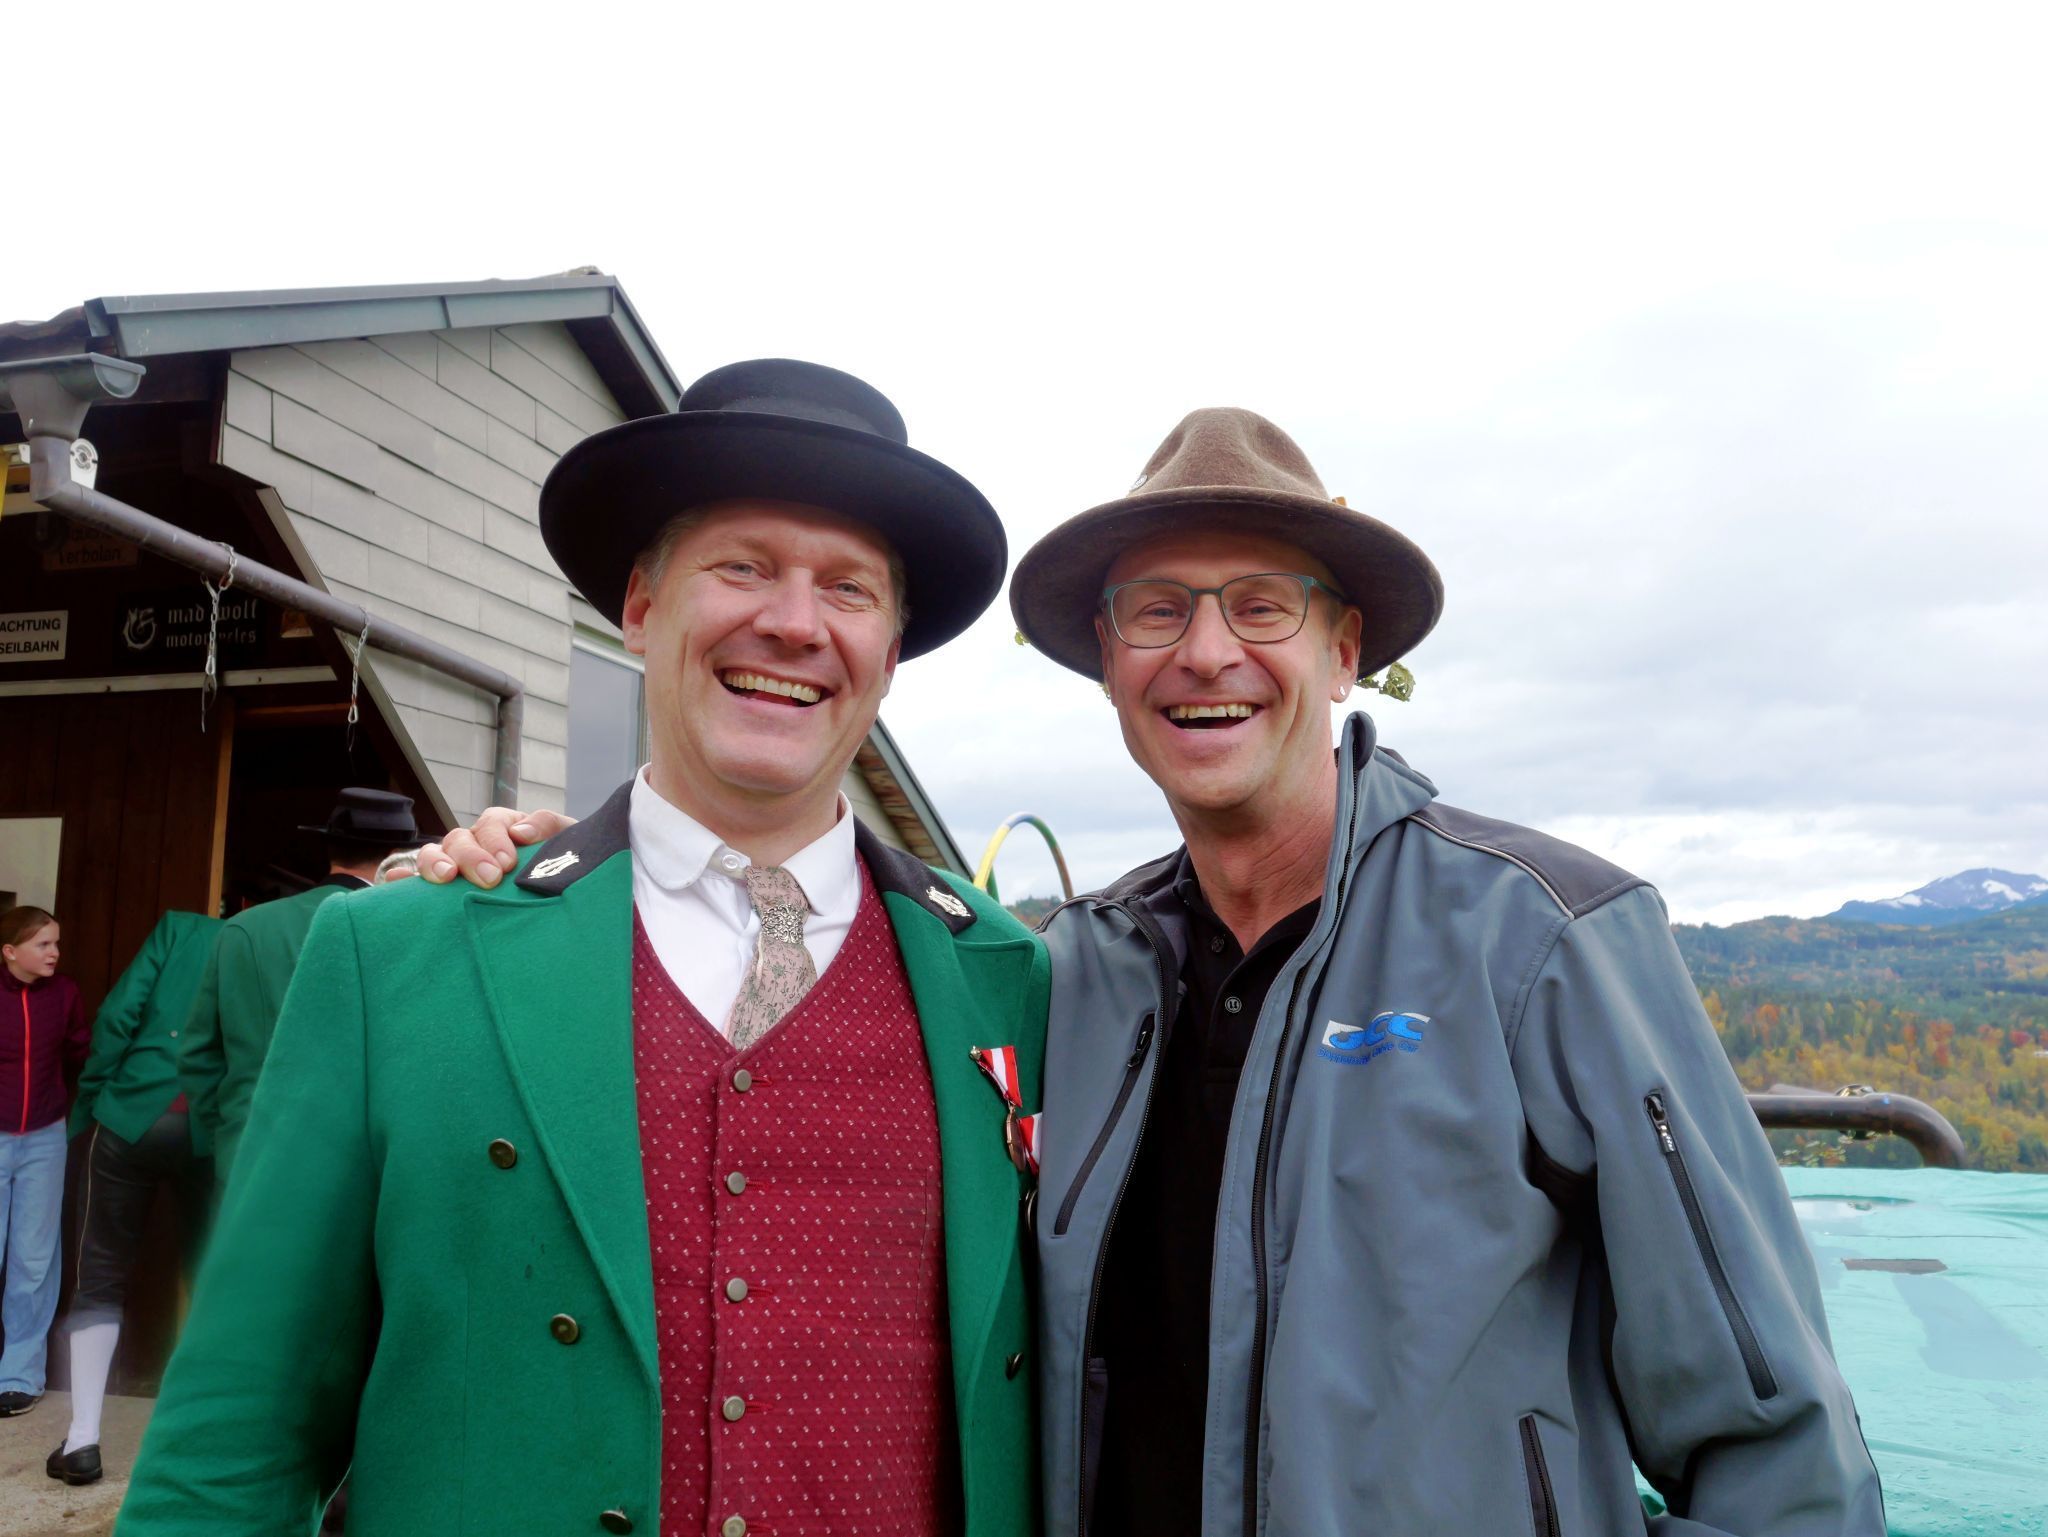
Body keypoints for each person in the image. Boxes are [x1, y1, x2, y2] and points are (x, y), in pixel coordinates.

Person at [439, 406, 1884, 1536]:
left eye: (1264, 606)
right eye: (1157, 610)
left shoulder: (1542, 940)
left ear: (1343, 647)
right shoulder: (1067, 975)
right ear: (1109, 660)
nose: (1209, 654)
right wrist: (552, 875)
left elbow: (1772, 1437)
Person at [118, 359, 1048, 1537]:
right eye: (743, 566)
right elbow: (235, 1440)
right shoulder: (397, 954)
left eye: (849, 588)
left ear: (891, 644)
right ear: (641, 606)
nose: (795, 623)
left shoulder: (1014, 980)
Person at [45, 908, 222, 1484]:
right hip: (209, 1128)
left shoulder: (178, 929)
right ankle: (197, 1438)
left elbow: (120, 1015)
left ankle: (83, 1441)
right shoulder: (264, 936)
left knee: (99, 1276)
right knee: (209, 1277)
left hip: (132, 1114)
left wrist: (92, 1100)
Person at [178, 788, 417, 1186]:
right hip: (361, 1169)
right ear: (396, 856)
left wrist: (222, 1140)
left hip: (250, 1155)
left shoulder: (244, 927)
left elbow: (198, 1054)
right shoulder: (406, 931)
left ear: (330, 850)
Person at [0, 905, 87, 1418]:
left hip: (45, 1138)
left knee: (33, 1260)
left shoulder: (65, 995)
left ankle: (18, 1376)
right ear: (11, 951)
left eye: (56, 943)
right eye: (43, 945)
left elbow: (81, 1053)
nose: (54, 953)